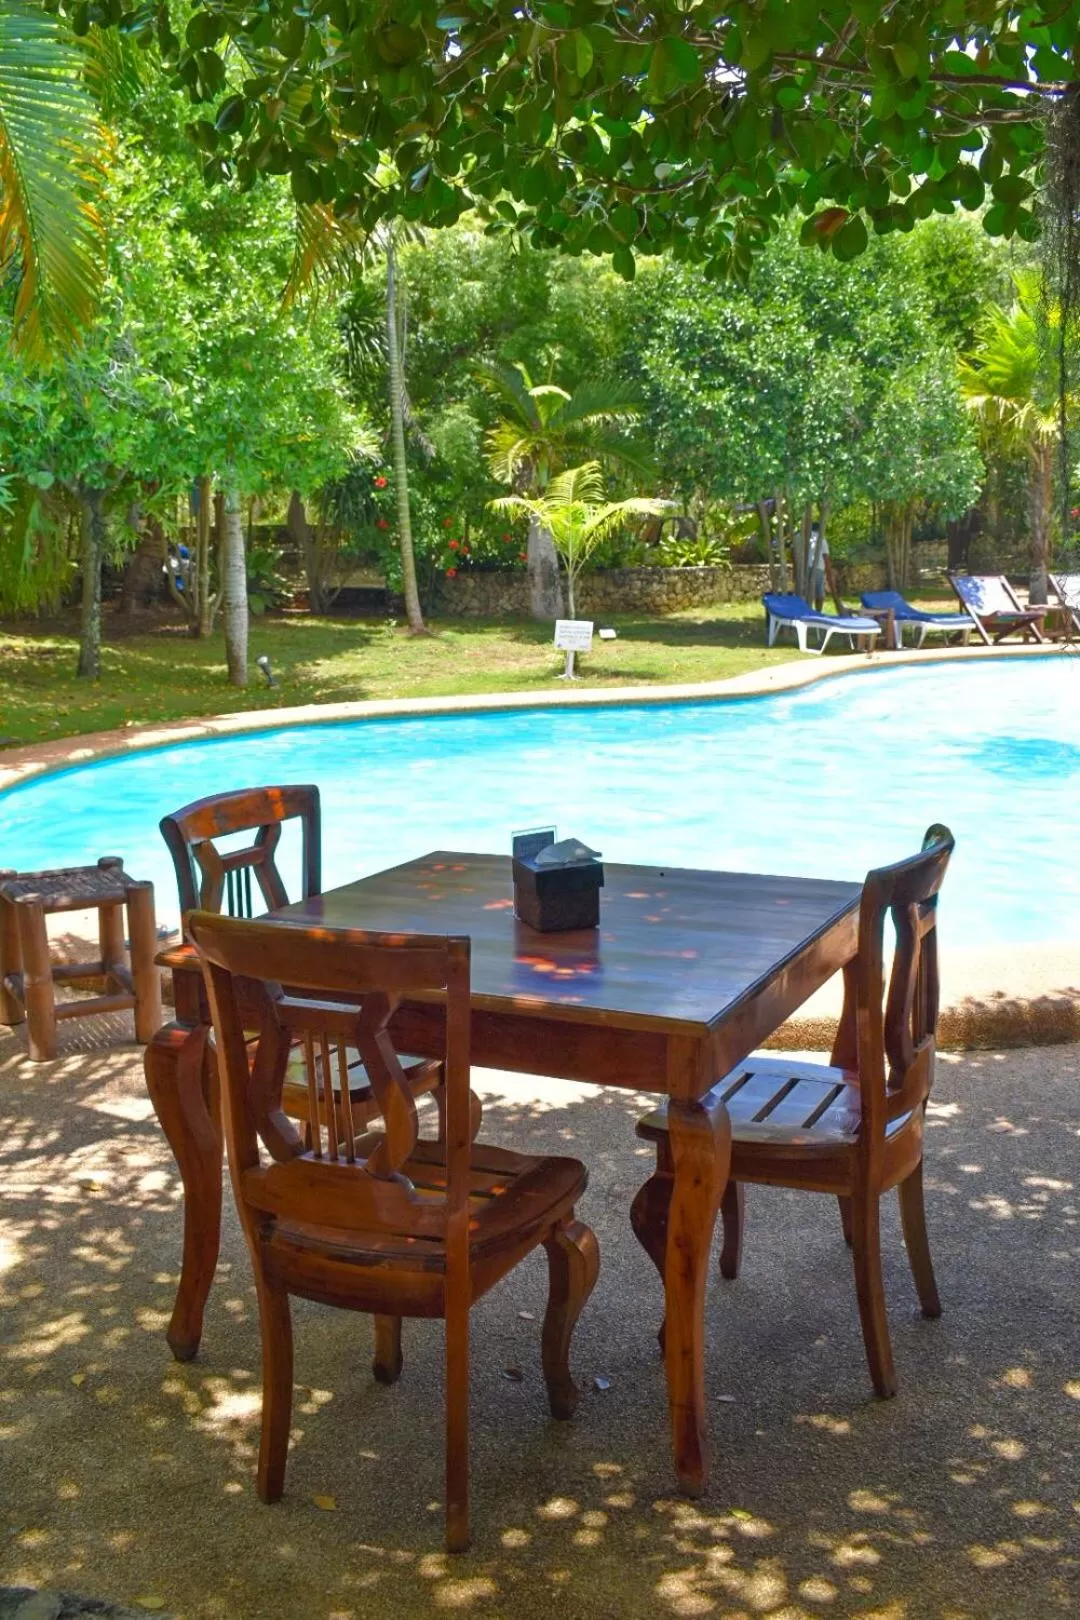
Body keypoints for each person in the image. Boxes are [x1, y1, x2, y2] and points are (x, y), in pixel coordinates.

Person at [809, 523, 829, 612]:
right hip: (818, 568)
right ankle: (818, 613)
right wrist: (829, 573)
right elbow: (826, 557)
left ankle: (807, 611)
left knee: (808, 593)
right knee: (819, 594)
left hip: (805, 568)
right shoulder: (821, 540)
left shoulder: (805, 539)